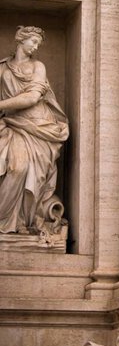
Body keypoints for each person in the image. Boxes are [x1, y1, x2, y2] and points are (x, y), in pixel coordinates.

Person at [0, 26, 69, 234]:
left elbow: (31, 97)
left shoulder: (38, 66)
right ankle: (6, 221)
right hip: (12, 124)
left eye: (38, 43)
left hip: (38, 125)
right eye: (33, 41)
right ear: (20, 40)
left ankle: (23, 221)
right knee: (15, 168)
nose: (36, 46)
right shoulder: (3, 68)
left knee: (29, 172)